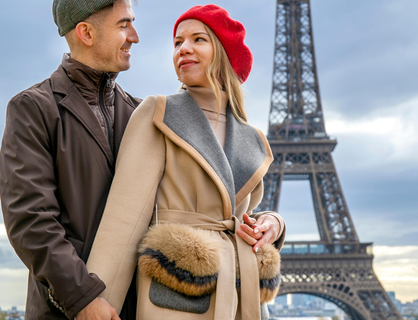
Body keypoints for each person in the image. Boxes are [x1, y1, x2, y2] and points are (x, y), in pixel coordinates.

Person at [86, 4, 286, 320]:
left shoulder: (253, 138)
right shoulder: (159, 113)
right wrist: (96, 302)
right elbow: (124, 220)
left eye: (198, 39)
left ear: (223, 52)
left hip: (241, 298)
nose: (184, 49)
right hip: (177, 300)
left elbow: (238, 215)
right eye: (178, 42)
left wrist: (273, 223)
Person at [0, 0, 140, 319]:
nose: (135, 36)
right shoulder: (32, 109)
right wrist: (82, 300)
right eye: (124, 25)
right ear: (86, 33)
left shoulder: (143, 115)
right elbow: (30, 218)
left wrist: (270, 221)